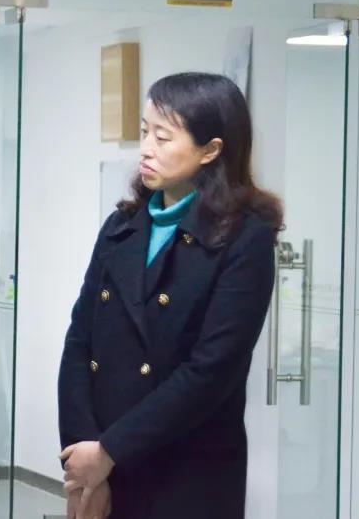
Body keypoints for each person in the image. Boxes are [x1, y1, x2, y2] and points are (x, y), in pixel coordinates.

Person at [57, 72, 282, 519]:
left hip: (186, 473)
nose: (146, 148)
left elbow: (210, 371)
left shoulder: (244, 239)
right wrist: (84, 463)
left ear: (210, 150)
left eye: (162, 137)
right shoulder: (122, 226)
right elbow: (80, 343)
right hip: (102, 466)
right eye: (144, 132)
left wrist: (110, 451)